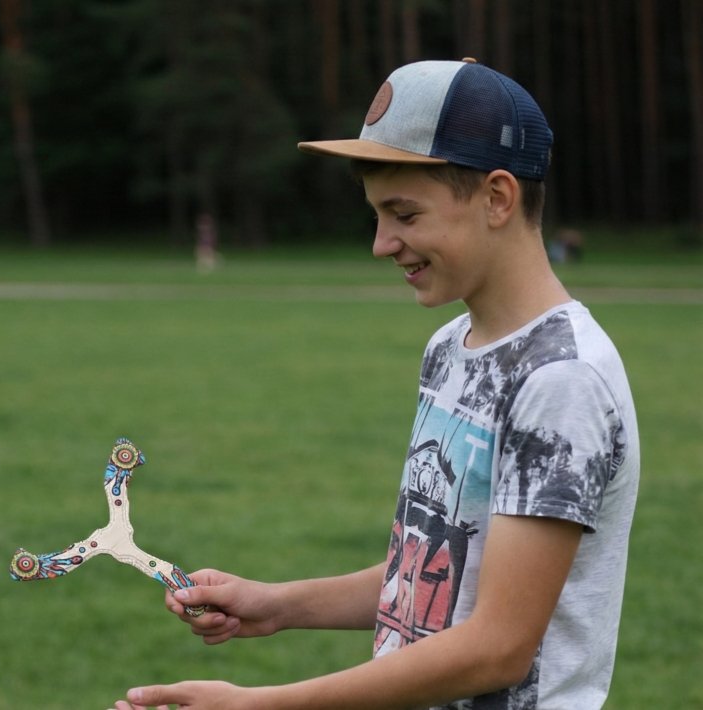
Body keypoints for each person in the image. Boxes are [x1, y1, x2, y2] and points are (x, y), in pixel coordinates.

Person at [113, 58, 639, 710]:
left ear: (497, 198)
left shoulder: (560, 381)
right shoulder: (450, 349)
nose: (381, 243)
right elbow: (435, 575)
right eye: (376, 217)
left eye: (405, 215)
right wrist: (276, 605)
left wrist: (261, 705)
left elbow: (499, 645)